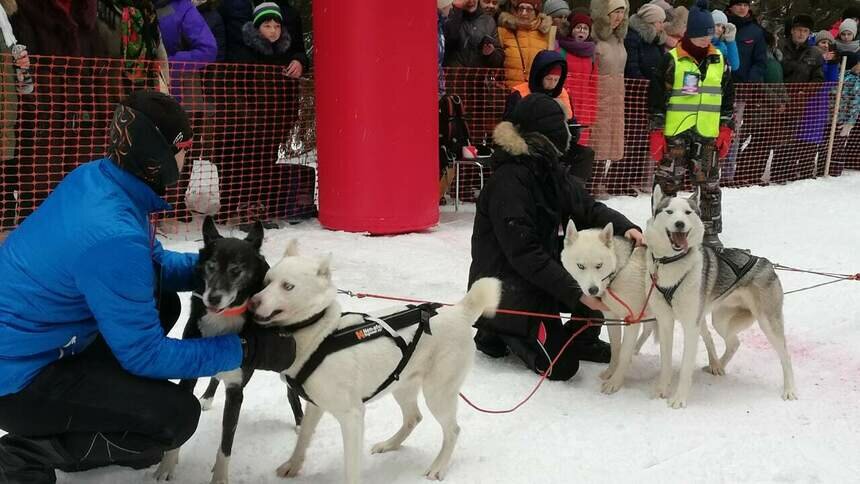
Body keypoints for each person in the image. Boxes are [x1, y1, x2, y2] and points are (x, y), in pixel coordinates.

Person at [0, 91, 297, 483]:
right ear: (154, 153)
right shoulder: (111, 234)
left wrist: (216, 268)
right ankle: (22, 454)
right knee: (172, 420)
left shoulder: (98, 179)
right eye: (183, 148)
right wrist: (245, 348)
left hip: (38, 341)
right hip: (19, 381)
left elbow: (147, 265)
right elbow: (144, 354)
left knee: (163, 303)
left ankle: (102, 401)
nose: (186, 158)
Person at [470, 93, 643, 380]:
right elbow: (524, 254)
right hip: (506, 287)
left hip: (538, 279)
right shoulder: (509, 183)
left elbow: (586, 207)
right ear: (546, 135)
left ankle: (581, 339)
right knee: (561, 368)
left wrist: (626, 227)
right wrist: (575, 293)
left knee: (595, 281)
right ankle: (496, 330)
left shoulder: (547, 169)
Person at [648, 0, 734, 249]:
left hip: (707, 134)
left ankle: (709, 231)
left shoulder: (720, 61)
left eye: (709, 36)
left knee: (708, 185)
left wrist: (726, 127)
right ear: (689, 35)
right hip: (675, 134)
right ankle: (660, 227)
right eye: (700, 37)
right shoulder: (672, 60)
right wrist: (656, 130)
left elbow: (728, 98)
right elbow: (656, 99)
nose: (706, 41)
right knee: (667, 185)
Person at [504, 49, 594, 183]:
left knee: (586, 154)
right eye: (549, 79)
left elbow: (571, 120)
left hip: (559, 145)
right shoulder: (520, 94)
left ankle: (573, 192)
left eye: (556, 80)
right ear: (539, 76)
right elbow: (508, 125)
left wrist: (574, 131)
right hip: (530, 146)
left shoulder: (563, 94)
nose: (552, 83)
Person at [590, 0, 628, 198]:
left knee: (611, 140)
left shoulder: (619, 39)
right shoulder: (595, 37)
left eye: (622, 12)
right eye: (615, 11)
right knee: (596, 140)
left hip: (616, 96)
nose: (619, 16)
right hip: (596, 95)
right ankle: (592, 183)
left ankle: (601, 182)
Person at [557, 10, 597, 147]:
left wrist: (591, 112)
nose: (582, 31)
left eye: (586, 28)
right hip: (565, 102)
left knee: (580, 145)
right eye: (578, 27)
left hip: (584, 105)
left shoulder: (591, 54)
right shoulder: (560, 50)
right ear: (572, 29)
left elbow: (593, 84)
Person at [498, 0, 555, 88]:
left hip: (535, 93)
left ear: (536, 12)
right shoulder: (504, 31)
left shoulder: (547, 34)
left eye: (529, 9)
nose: (524, 13)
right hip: (510, 92)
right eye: (521, 8)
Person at [443, 0, 504, 68]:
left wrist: (491, 54)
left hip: (477, 75)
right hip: (453, 75)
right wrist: (457, 10)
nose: (470, 1)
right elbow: (448, 41)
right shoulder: (448, 15)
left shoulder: (488, 21)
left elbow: (498, 60)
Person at [724, 0, 766, 83]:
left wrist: (750, 79)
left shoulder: (756, 31)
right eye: (739, 4)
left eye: (745, 5)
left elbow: (761, 61)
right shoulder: (720, 25)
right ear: (731, 7)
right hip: (718, 83)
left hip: (742, 85)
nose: (742, 8)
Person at [624, 2, 667, 80]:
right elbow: (632, 67)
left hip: (654, 86)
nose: (662, 26)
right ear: (650, 21)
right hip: (639, 88)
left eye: (663, 22)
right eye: (659, 22)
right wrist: (645, 84)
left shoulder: (658, 40)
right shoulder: (633, 39)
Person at [779, 14, 823, 83]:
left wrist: (806, 91)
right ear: (792, 31)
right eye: (799, 30)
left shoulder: (815, 53)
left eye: (805, 31)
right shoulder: (780, 48)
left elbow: (818, 78)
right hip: (780, 91)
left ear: (809, 34)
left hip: (803, 92)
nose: (802, 34)